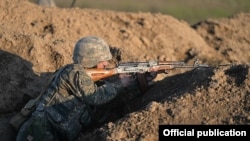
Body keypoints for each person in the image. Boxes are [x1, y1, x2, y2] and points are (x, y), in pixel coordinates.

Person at [14, 36, 157, 141]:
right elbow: (96, 97)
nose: (107, 63)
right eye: (103, 60)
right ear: (90, 60)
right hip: (39, 133)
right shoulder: (73, 73)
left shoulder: (88, 81)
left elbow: (110, 102)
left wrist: (140, 83)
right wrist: (121, 83)